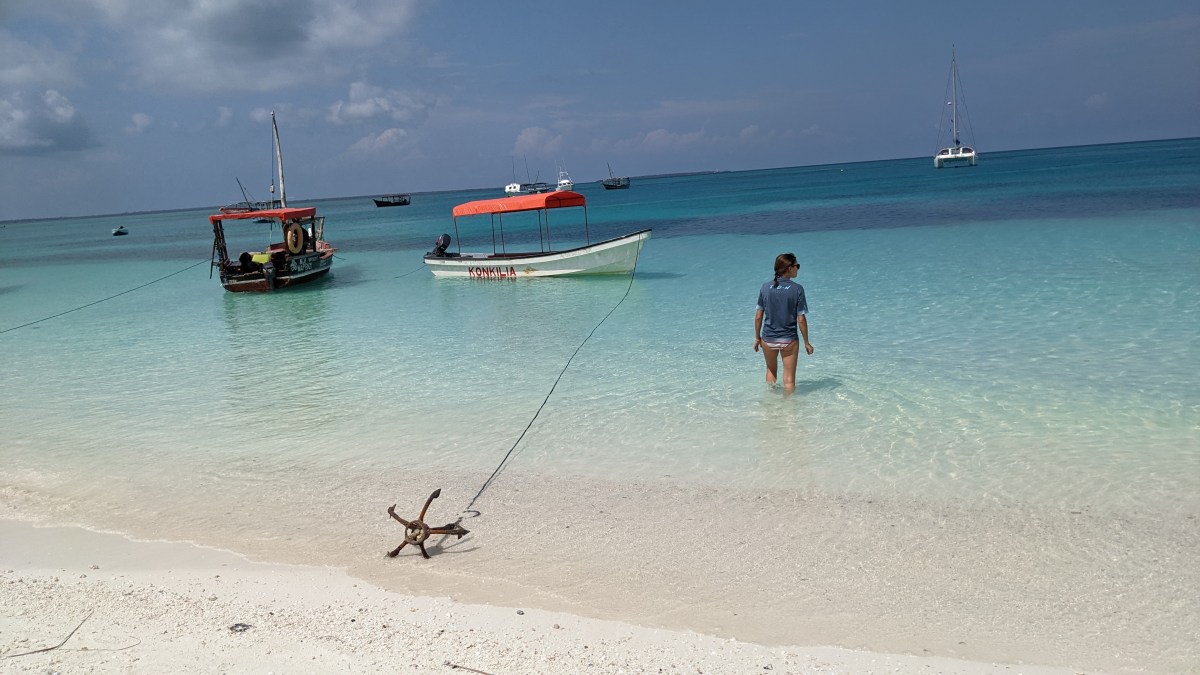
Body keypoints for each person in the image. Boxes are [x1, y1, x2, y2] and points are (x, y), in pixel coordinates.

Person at [754, 252, 813, 393]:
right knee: (789, 380)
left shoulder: (765, 287)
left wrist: (757, 338)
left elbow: (758, 316)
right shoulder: (797, 289)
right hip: (789, 340)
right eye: (797, 266)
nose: (798, 268)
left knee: (771, 370)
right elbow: (801, 319)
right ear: (789, 268)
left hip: (768, 338)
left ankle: (770, 402)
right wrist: (806, 342)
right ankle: (789, 406)